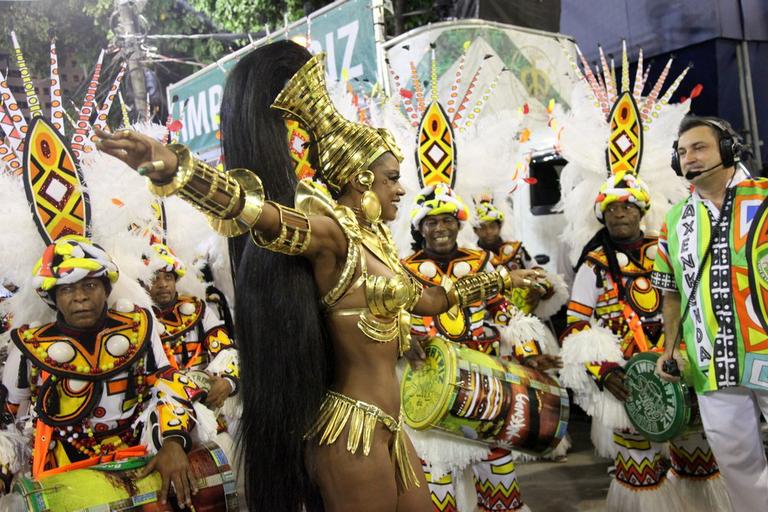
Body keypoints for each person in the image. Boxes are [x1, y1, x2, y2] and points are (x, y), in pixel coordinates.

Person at [97, 43, 535, 512]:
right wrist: (179, 171)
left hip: (391, 425)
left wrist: (502, 282)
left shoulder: (378, 244)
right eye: (390, 177)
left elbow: (431, 300)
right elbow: (255, 214)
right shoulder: (332, 235)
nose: (400, 188)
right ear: (360, 180)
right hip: (351, 433)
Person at [560, 172, 729, 511]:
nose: (619, 214)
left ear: (641, 212)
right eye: (611, 210)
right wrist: (604, 371)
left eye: (627, 208)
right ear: (601, 216)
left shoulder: (666, 250)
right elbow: (575, 326)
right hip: (629, 384)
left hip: (681, 372)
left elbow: (695, 303)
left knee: (699, 461)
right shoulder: (593, 267)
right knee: (639, 471)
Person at [3, 236, 201, 507]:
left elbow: (169, 384)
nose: (80, 296)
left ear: (106, 289)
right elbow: (9, 425)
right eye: (66, 290)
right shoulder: (28, 349)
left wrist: (173, 441)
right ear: (52, 298)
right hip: (63, 473)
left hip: (141, 459)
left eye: (90, 285)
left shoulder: (139, 328)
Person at [402, 184, 561, 512]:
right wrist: (405, 342)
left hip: (486, 387)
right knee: (437, 488)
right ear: (420, 228)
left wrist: (529, 354)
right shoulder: (403, 268)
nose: (440, 228)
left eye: (447, 220)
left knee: (500, 483)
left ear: (459, 224)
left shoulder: (482, 262)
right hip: (429, 390)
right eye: (431, 222)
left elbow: (505, 313)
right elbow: (395, 321)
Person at [653, 115, 768, 511]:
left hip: (766, 350)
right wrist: (668, 350)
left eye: (699, 148)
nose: (690, 158)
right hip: (710, 361)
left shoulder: (766, 198)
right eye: (682, 152)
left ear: (729, 150)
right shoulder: (674, 220)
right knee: (738, 465)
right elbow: (670, 294)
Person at [147, 242, 238, 411]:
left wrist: (228, 381)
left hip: (206, 404)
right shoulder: (138, 321)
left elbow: (225, 349)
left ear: (176, 280)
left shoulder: (198, 310)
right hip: (160, 409)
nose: (163, 284)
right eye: (155, 278)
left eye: (168, 277)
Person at [473, 196, 568, 319]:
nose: (489, 232)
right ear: (475, 230)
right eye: (483, 227)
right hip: (493, 320)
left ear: (499, 227)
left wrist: (537, 290)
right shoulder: (473, 258)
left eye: (492, 226)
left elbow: (539, 272)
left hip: (526, 316)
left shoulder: (516, 250)